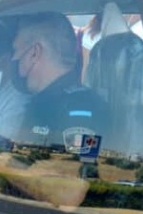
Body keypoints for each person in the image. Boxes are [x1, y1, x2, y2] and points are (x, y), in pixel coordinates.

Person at [8, 11, 108, 153]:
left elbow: (78, 165)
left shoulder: (78, 112)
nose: (13, 59)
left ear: (34, 53)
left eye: (15, 51)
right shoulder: (46, 103)